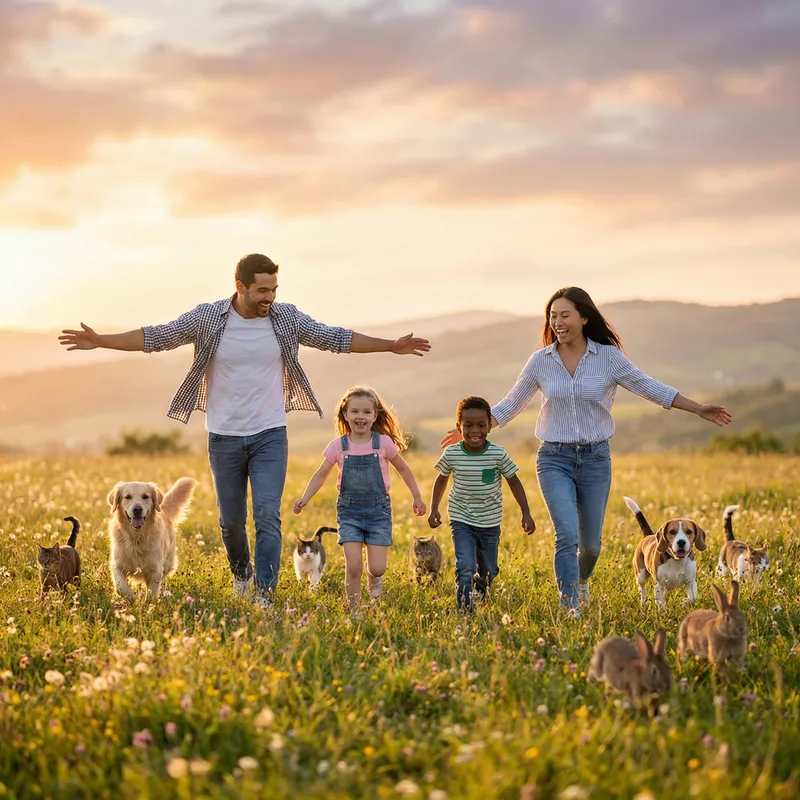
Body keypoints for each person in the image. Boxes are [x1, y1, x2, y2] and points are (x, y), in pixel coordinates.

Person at [59, 253, 431, 608]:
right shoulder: (208, 318)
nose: (269, 297)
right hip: (223, 435)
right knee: (231, 522)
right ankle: (242, 577)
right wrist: (102, 340)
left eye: (274, 290)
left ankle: (265, 593)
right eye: (262, 291)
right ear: (240, 286)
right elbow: (158, 337)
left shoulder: (285, 318)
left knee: (268, 516)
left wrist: (390, 347)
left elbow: (335, 338)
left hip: (270, 432)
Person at [441, 287, 732, 617]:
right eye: (553, 316)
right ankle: (570, 606)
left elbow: (650, 387)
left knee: (591, 546)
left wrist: (696, 408)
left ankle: (581, 581)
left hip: (595, 459)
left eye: (565, 315)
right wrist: (474, 428)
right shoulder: (541, 361)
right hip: (554, 458)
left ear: (583, 317)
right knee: (566, 534)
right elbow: (512, 403)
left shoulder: (608, 357)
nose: (558, 322)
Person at [293, 385, 426, 615]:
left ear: (375, 415)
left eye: (366, 412)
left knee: (377, 567)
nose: (360, 417)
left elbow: (404, 469)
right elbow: (321, 474)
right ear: (345, 414)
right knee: (353, 566)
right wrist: (305, 498)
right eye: (355, 411)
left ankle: (374, 580)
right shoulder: (338, 446)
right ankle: (355, 612)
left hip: (378, 512)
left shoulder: (383, 443)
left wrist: (417, 496)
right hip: (350, 513)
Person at [430, 396, 535, 613]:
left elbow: (514, 481)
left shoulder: (497, 454)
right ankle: (465, 610)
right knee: (464, 565)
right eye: (468, 425)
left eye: (481, 425)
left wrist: (526, 512)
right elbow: (441, 479)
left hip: (490, 522)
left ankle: (481, 583)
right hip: (461, 519)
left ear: (489, 426)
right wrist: (434, 509)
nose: (474, 430)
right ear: (459, 427)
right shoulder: (452, 453)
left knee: (489, 571)